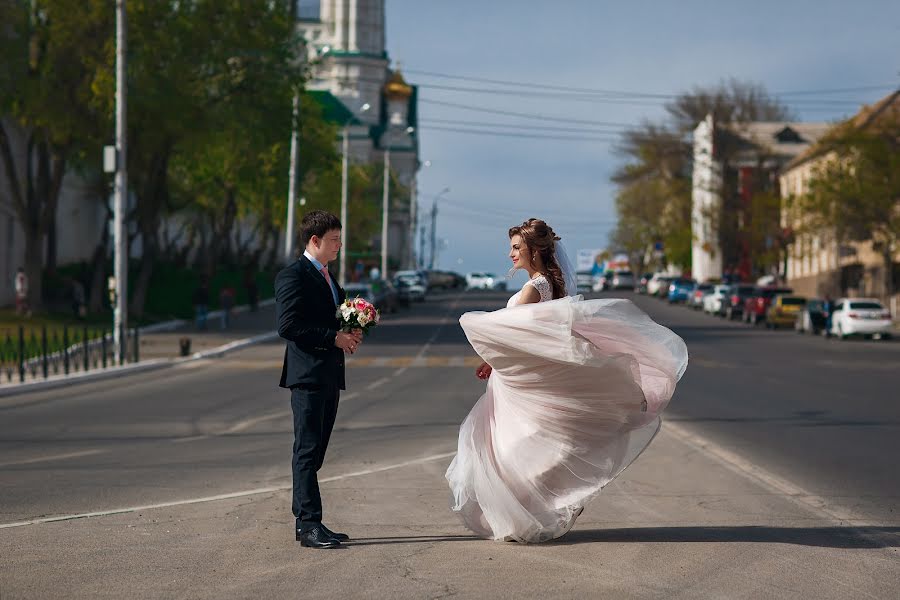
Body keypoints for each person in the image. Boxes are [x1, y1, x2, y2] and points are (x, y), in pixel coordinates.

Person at [446, 218, 688, 543]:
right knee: (521, 451)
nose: (510, 254)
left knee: (512, 452)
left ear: (534, 250)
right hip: (515, 384)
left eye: (516, 247)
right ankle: (528, 515)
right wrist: (492, 360)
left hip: (520, 389)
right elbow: (533, 338)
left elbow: (517, 336)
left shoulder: (535, 288)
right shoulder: (545, 285)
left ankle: (525, 517)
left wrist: (484, 339)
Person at [275, 210, 363, 549]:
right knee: (307, 451)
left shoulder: (328, 278)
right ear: (315, 241)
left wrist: (352, 329)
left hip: (328, 374)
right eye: (334, 240)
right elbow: (288, 326)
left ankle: (306, 521)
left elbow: (334, 317)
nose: (339, 245)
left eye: (339, 239)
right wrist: (333, 338)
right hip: (308, 375)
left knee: (316, 452)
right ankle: (309, 524)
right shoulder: (293, 276)